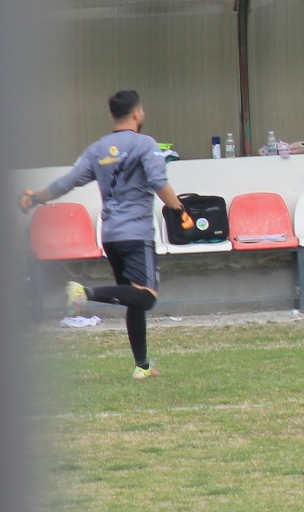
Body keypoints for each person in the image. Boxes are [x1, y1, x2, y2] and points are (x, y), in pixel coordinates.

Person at [19, 89, 186, 379]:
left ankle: (142, 366)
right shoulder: (146, 145)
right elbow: (160, 181)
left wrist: (36, 197)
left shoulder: (98, 149)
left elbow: (67, 182)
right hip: (137, 234)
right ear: (137, 113)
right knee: (145, 297)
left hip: (110, 235)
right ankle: (84, 291)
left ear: (112, 115)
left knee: (131, 299)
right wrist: (181, 211)